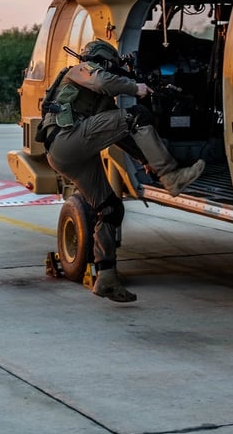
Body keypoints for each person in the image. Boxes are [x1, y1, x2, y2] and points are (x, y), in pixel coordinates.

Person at [40, 38, 204, 303]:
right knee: (135, 114)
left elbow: (118, 133)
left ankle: (106, 278)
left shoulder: (100, 101)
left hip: (73, 153)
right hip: (66, 142)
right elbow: (104, 83)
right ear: (103, 61)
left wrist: (144, 159)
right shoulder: (82, 70)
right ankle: (171, 176)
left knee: (110, 209)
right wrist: (134, 87)